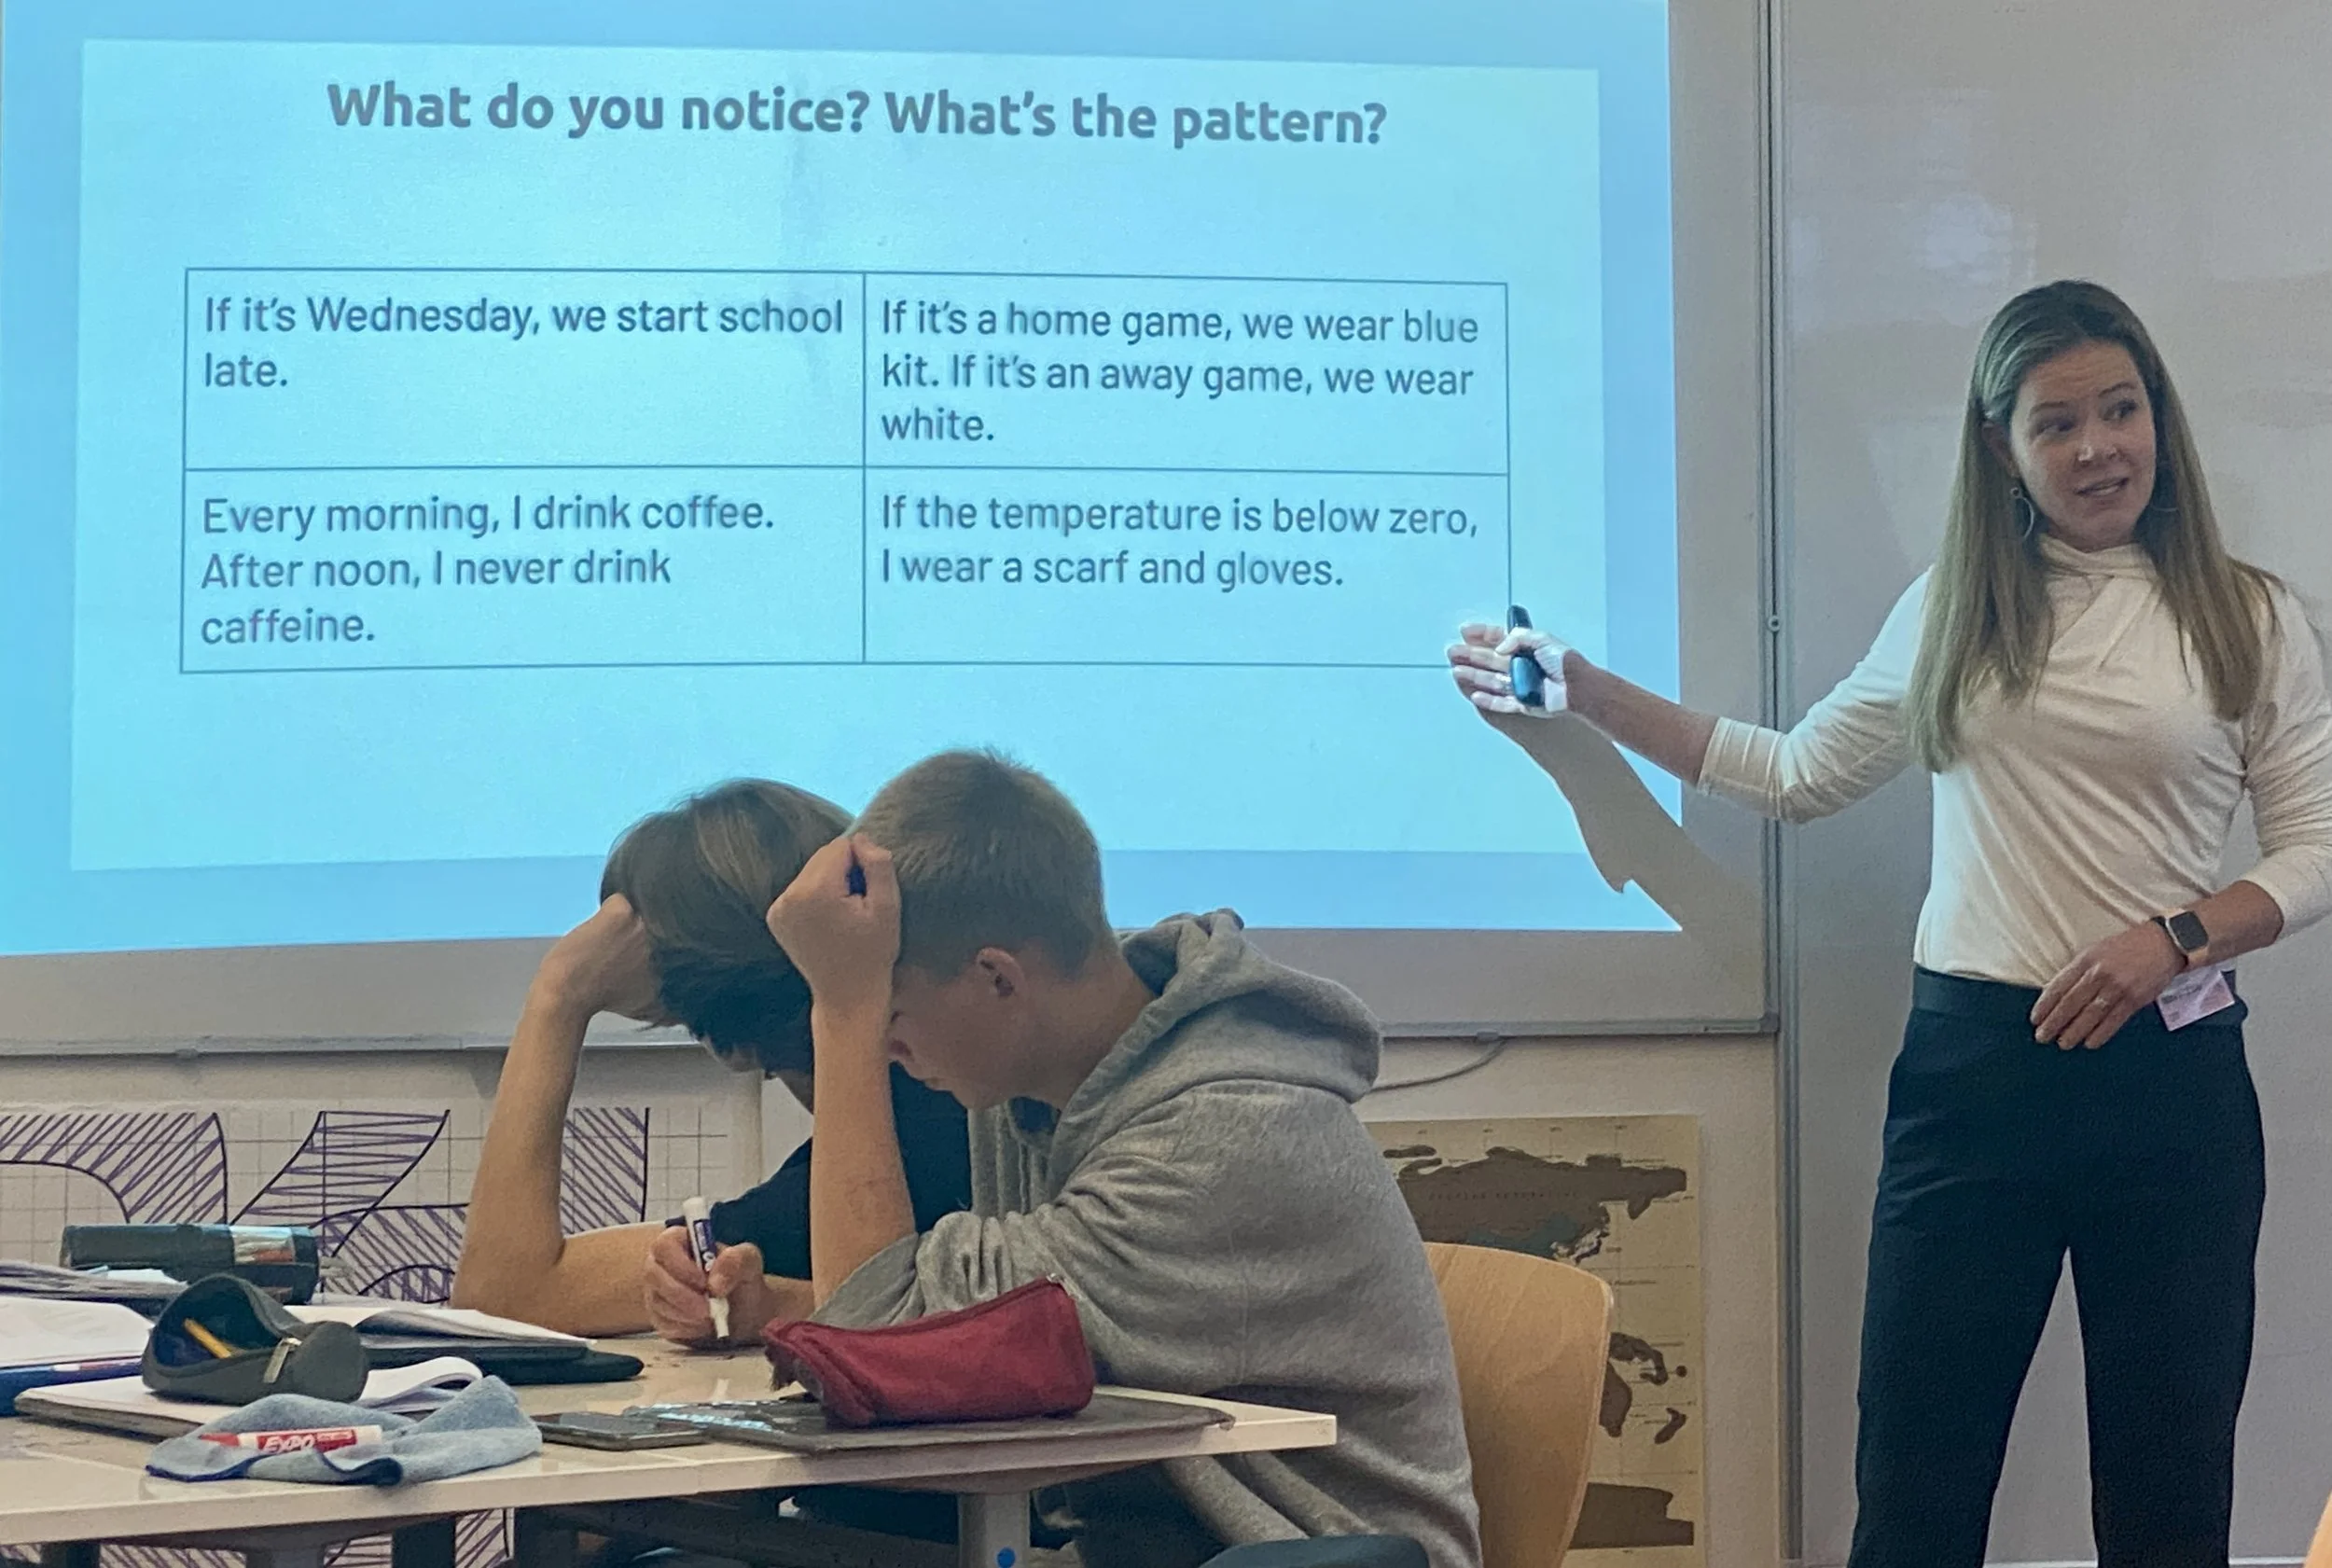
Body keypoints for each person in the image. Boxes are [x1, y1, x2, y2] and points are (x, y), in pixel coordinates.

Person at [1450, 279, 2332, 1567]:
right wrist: (1586, 694)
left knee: (2169, 1485)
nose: (2098, 448)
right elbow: (1793, 773)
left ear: (2159, 416)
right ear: (2002, 448)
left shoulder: (2247, 614)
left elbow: (2317, 846)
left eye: (2121, 410)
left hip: (2171, 1080)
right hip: (1972, 1080)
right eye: (2057, 422)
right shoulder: (1953, 609)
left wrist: (2175, 941)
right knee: (1916, 1484)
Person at [761, 749, 1483, 1568]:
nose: (886, 1049)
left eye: (889, 1015)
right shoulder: (1043, 1093)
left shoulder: (1217, 1139)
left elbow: (871, 1347)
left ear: (998, 978)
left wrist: (841, 1011)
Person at [450, 779, 971, 1344]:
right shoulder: (950, 1108)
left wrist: (558, 997)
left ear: (725, 1044)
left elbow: (501, 1295)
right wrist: (778, 1304)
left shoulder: (885, 1156)